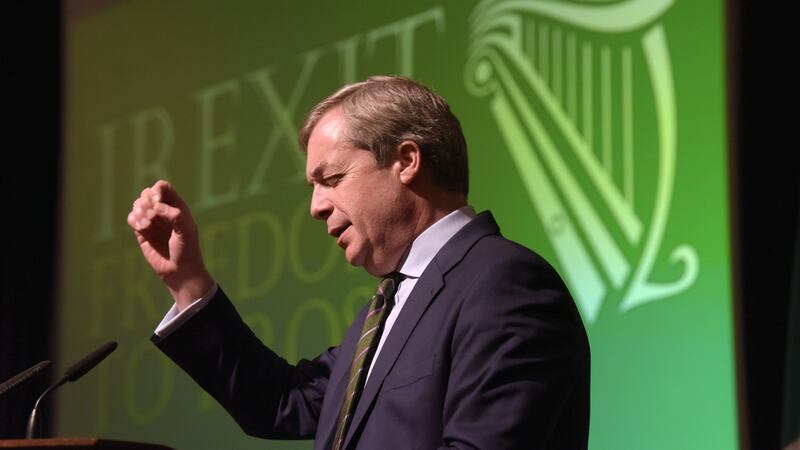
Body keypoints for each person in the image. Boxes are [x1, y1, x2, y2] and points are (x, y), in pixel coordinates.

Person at [127, 76, 590, 450]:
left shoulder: (505, 285)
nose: (316, 207)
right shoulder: (391, 303)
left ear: (406, 160)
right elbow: (284, 401)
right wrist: (188, 282)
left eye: (331, 178)